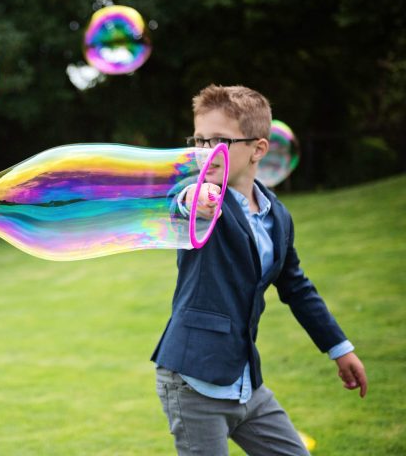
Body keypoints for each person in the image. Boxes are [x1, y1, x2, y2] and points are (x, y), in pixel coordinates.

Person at [152, 85, 367, 455]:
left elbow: (297, 288)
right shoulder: (202, 200)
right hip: (193, 382)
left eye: (220, 140)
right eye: (200, 140)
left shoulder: (277, 216)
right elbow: (181, 202)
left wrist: (339, 348)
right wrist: (191, 200)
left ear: (258, 149)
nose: (206, 151)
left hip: (246, 383)